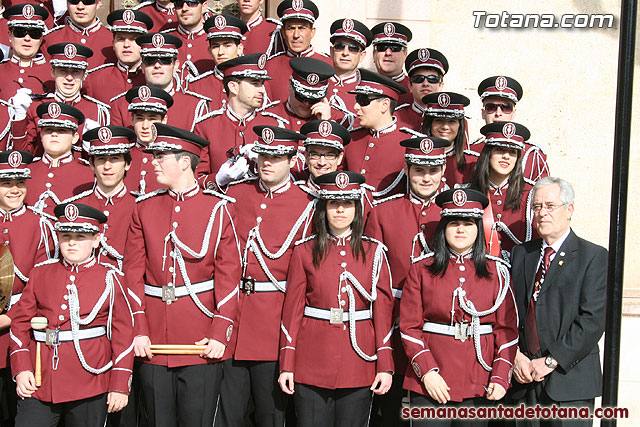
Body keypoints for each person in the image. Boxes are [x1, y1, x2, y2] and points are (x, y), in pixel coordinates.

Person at [124, 123, 242, 427]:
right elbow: (133, 273)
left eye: (162, 156)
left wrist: (220, 331)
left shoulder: (217, 209)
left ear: (185, 160)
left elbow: (229, 276)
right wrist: (138, 327)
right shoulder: (144, 208)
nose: (153, 162)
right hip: (152, 340)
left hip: (199, 340)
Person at [278, 170, 394, 427]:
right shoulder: (304, 251)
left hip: (359, 361)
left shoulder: (374, 252)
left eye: (348, 204)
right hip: (311, 361)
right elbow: (292, 311)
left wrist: (385, 364)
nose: (340, 210)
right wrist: (287, 363)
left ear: (357, 209)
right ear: (323, 208)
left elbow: (383, 313)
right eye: (333, 204)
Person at [216, 125, 314, 427]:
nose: (268, 163)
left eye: (277, 157)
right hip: (233, 318)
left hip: (273, 322)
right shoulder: (236, 194)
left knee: (270, 415)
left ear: (292, 160)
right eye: (263, 157)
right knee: (228, 414)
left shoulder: (307, 203)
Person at [400, 188, 518, 426]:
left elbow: (507, 330)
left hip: (479, 377)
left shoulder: (498, 272)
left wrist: (501, 374)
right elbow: (409, 327)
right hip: (432, 380)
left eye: (468, 223)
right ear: (443, 228)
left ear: (479, 228)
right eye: (454, 223)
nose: (461, 230)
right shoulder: (421, 269)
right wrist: (428, 373)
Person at [10, 202, 134, 426]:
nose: (72, 243)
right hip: (40, 380)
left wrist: (119, 384)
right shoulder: (40, 273)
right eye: (66, 236)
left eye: (80, 236)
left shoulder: (110, 277)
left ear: (96, 240)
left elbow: (123, 334)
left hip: (90, 381)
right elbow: (19, 324)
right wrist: (21, 368)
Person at [365, 135, 450, 426]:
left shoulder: (453, 216)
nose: (426, 178)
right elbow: (373, 277)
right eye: (419, 170)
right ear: (407, 169)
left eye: (433, 170)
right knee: (388, 413)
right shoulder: (383, 212)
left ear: (443, 171)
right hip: (394, 324)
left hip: (439, 332)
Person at [509, 177, 607, 427]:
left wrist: (551, 361)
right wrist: (516, 355)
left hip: (569, 383)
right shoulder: (523, 254)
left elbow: (592, 321)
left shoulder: (593, 257)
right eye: (537, 207)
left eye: (550, 206)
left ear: (569, 210)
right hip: (525, 381)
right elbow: (511, 312)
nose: (542, 213)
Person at [0, 149, 56, 425]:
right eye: (6, 183)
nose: (15, 190)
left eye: (20, 183)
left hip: (19, 331)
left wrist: (9, 317)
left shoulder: (41, 225)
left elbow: (41, 284)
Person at [192, 54, 287, 190]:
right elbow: (194, 179)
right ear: (233, 87)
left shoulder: (273, 125)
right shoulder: (206, 126)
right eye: (255, 83)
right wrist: (217, 180)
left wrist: (264, 160)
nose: (262, 90)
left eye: (262, 84)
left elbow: (290, 174)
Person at [10, 42, 111, 155]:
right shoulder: (36, 107)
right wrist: (19, 118)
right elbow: (23, 155)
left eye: (76, 72)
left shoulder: (98, 111)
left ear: (84, 75)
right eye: (63, 71)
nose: (69, 78)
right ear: (53, 72)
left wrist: (91, 150)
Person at [62, 125, 136, 271]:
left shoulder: (139, 206)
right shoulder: (77, 207)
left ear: (127, 164)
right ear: (91, 164)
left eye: (114, 159)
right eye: (101, 159)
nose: (107, 166)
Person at [109, 32, 211, 131]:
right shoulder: (121, 105)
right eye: (150, 60)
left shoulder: (196, 106)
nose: (157, 65)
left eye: (165, 60)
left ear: (176, 65)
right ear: (142, 67)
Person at [469, 121, 537, 259]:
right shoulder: (469, 193)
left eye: (512, 152)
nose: (506, 156)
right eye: (499, 150)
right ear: (488, 153)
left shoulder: (530, 194)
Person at [471, 76, 549, 185]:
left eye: (506, 107)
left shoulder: (532, 155)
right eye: (491, 107)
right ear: (483, 113)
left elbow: (544, 196)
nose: (498, 113)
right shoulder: (470, 152)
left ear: (514, 113)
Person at [342, 68, 408, 197]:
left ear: (384, 104)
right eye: (357, 100)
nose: (356, 107)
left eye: (363, 101)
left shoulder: (407, 143)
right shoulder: (351, 138)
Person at [23, 102, 94, 214]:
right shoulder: (25, 172)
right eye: (49, 130)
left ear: (75, 137)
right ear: (41, 135)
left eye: (62, 130)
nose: (54, 134)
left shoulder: (90, 175)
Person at [265, 0, 331, 103]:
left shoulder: (329, 65)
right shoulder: (269, 66)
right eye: (291, 28)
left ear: (312, 32)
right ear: (283, 32)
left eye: (302, 28)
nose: (296, 35)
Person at [83, 9, 153, 103]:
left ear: (143, 44)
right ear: (113, 44)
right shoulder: (94, 80)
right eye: (121, 39)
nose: (126, 45)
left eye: (134, 39)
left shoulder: (154, 78)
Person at [182, 13, 248, 105]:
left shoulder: (253, 84)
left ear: (239, 48)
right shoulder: (196, 86)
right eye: (215, 46)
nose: (221, 52)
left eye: (227, 45)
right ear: (209, 50)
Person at [122, 85, 174, 196]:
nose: (145, 126)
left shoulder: (173, 157)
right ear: (132, 120)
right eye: (140, 119)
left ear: (164, 120)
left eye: (152, 119)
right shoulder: (122, 155)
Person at [326, 18, 372, 130]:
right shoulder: (318, 83)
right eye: (340, 47)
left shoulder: (369, 91)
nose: (345, 53)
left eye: (353, 48)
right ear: (332, 51)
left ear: (362, 55)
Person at [420, 91, 474, 186]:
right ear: (429, 124)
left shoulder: (473, 162)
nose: (445, 127)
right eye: (439, 121)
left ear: (460, 126)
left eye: (452, 121)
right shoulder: (416, 157)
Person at [42, 0, 116, 69]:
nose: (80, 7)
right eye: (74, 1)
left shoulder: (113, 40)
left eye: (87, 1)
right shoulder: (50, 40)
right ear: (67, 3)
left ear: (98, 3)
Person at [0, 4, 52, 100]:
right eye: (20, 32)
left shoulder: (53, 75)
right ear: (10, 35)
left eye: (34, 34)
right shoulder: (1, 71)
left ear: (41, 38)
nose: (27, 38)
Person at [274, 56, 334, 132]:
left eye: (313, 100)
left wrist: (326, 124)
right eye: (301, 97)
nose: (307, 104)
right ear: (290, 85)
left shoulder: (334, 118)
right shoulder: (269, 117)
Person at [394, 48, 448, 131]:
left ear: (441, 86)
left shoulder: (453, 120)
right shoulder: (395, 118)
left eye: (432, 79)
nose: (425, 83)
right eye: (419, 79)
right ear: (410, 86)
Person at [162, 0, 210, 82]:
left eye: (191, 3)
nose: (184, 8)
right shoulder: (165, 40)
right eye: (179, 4)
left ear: (204, 7)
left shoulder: (216, 40)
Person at [370, 21, 412, 92]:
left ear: (405, 54)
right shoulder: (362, 88)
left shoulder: (415, 91)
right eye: (382, 47)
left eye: (395, 48)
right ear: (374, 54)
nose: (388, 53)